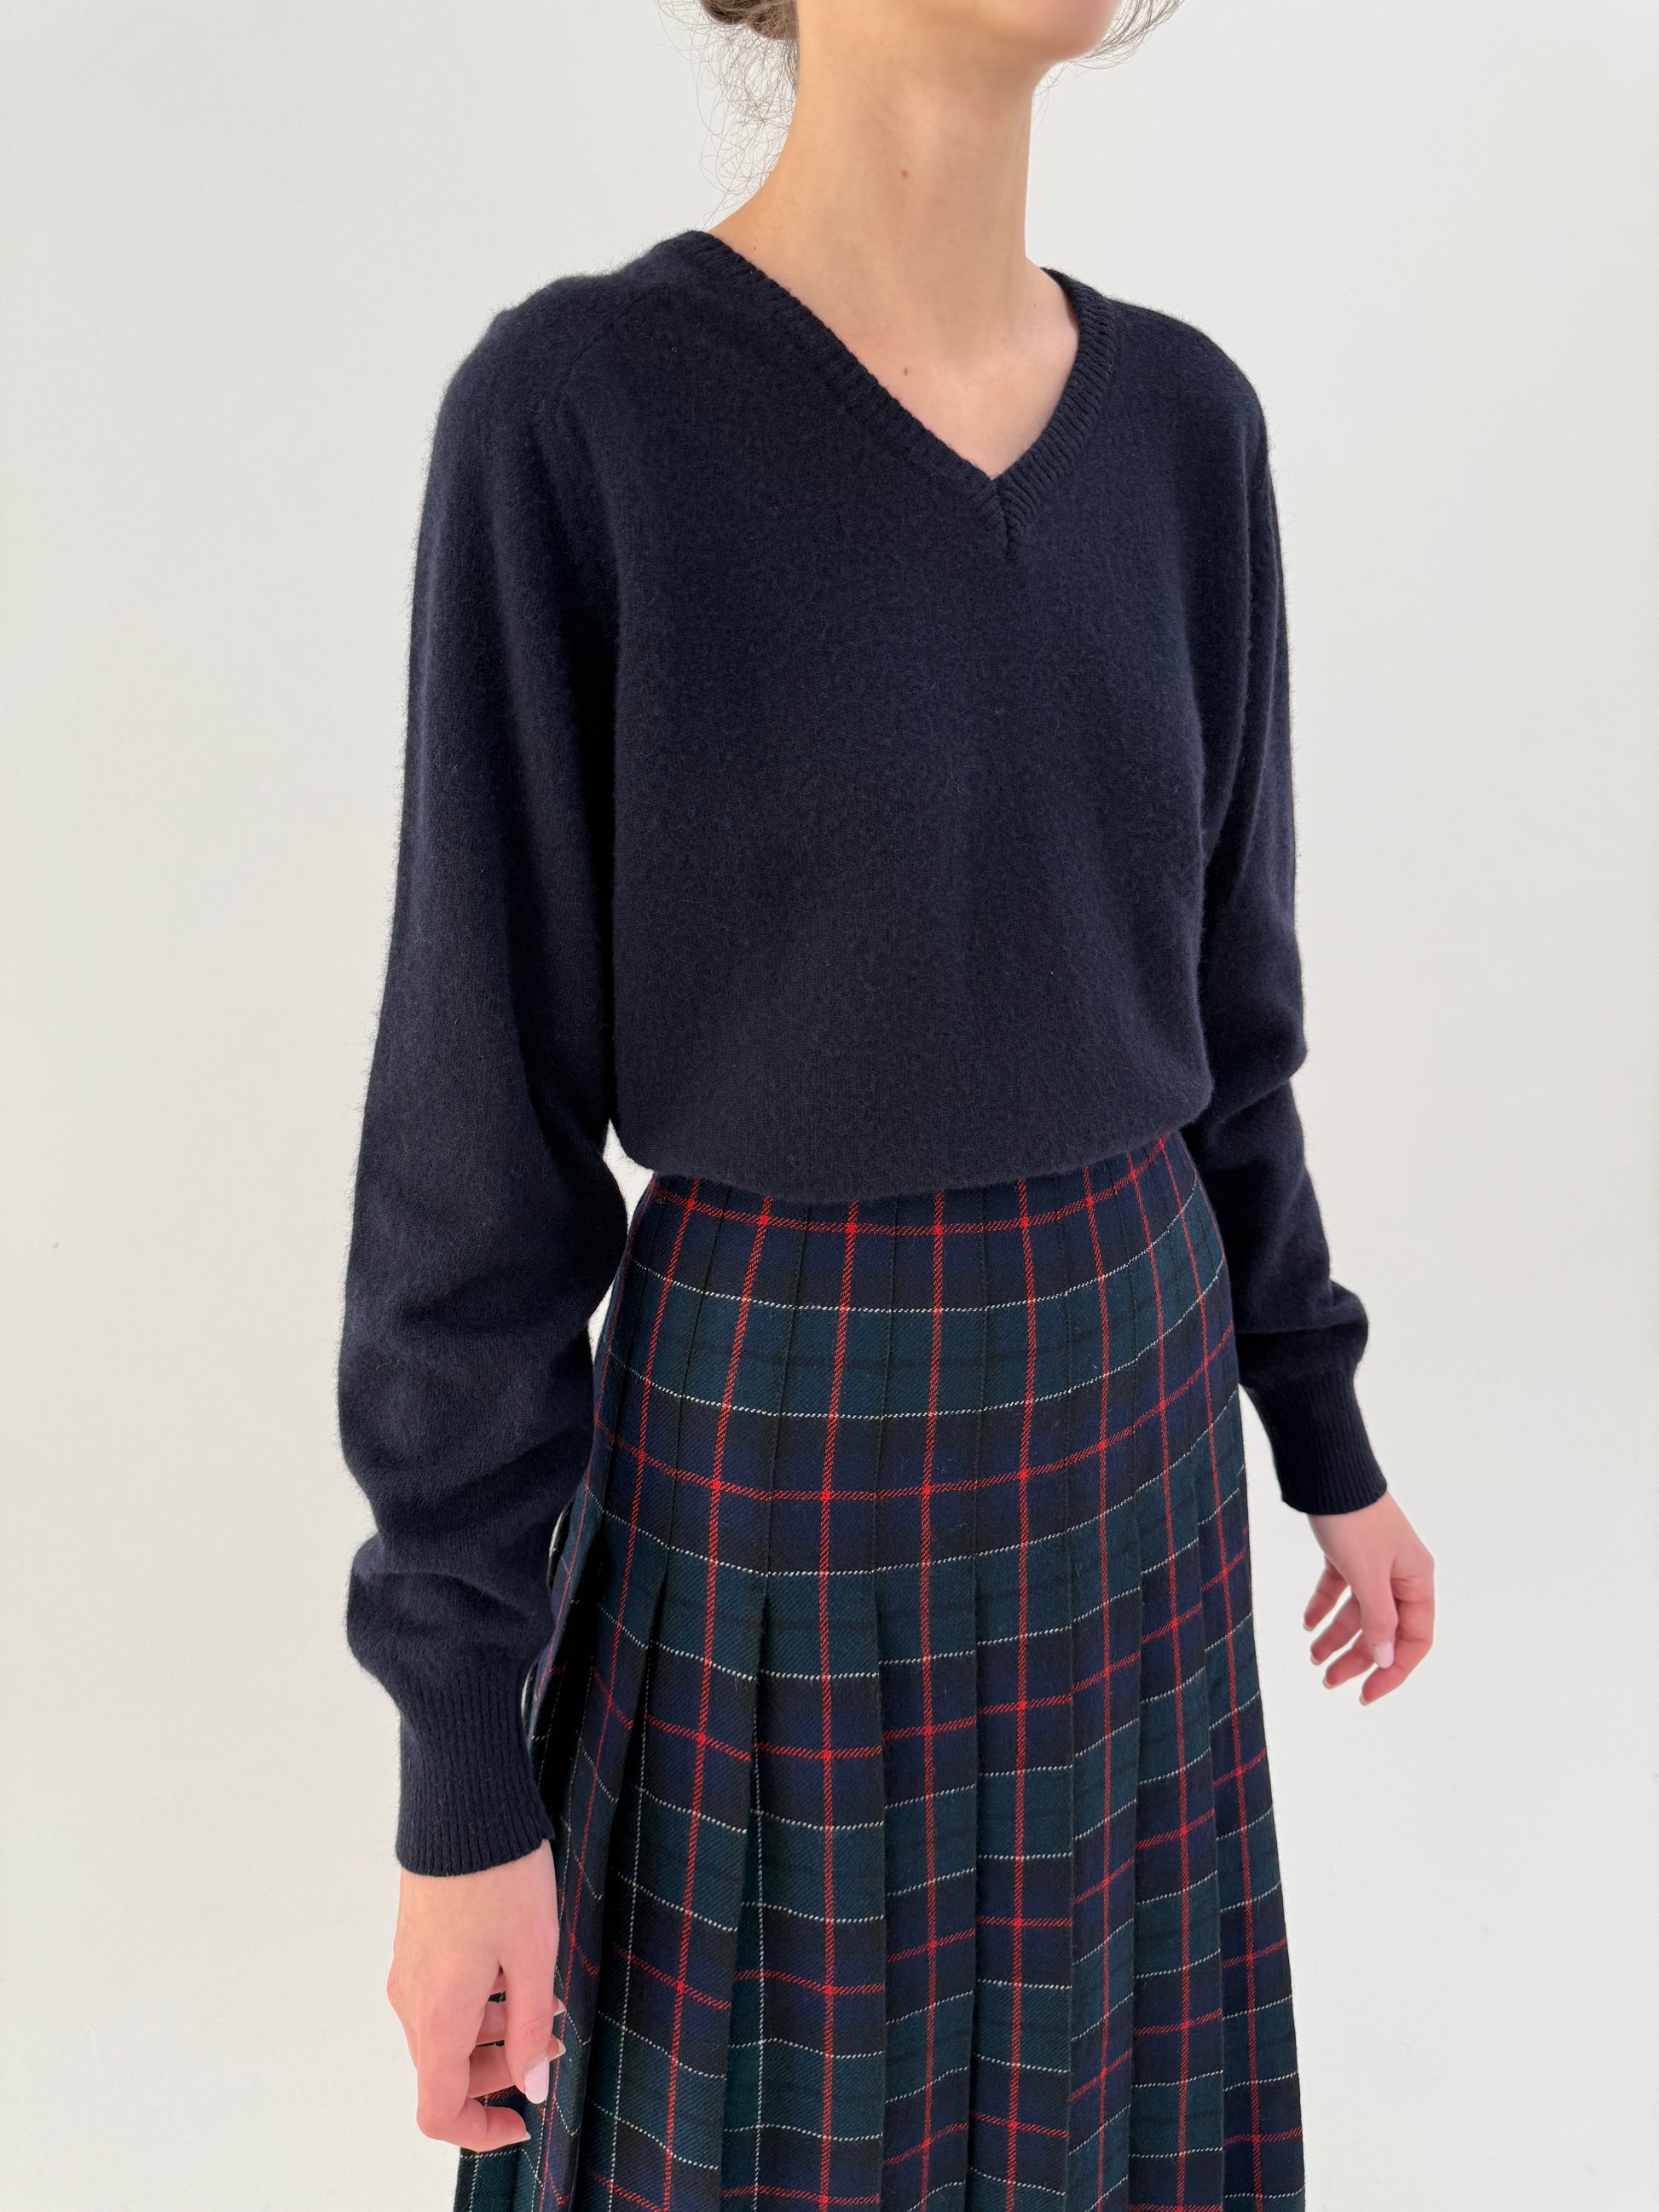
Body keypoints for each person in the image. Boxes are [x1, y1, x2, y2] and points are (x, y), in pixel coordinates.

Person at [338, 3, 1437, 2207]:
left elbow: (1228, 1020)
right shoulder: (582, 415)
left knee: (1103, 2142)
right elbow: (476, 1137)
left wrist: (1321, 1429)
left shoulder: (1186, 432)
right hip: (773, 1467)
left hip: (1132, 1449)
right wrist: (461, 1775)